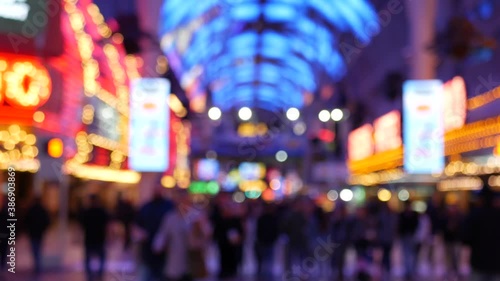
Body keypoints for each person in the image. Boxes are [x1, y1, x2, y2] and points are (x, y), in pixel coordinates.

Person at [135, 185, 174, 281]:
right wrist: (140, 235)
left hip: (165, 251)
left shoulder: (169, 206)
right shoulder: (146, 206)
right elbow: (137, 225)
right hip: (147, 249)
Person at [462, 191, 500, 281]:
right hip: (496, 263)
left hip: (478, 262)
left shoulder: (475, 215)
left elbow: (466, 238)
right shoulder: (497, 215)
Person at [80, 194, 109, 281]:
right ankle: (99, 275)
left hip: (90, 239)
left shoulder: (86, 212)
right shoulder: (102, 212)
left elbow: (81, 225)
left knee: (88, 259)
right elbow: (107, 225)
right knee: (101, 258)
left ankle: (90, 276)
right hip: (100, 238)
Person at [24, 197, 51, 275]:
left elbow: (26, 221)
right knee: (38, 248)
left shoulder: (31, 210)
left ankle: (37, 265)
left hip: (33, 233)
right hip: (39, 233)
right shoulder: (42, 210)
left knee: (35, 249)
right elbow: (47, 221)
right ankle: (38, 265)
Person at [254, 203, 278, 279]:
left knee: (263, 260)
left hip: (263, 241)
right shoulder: (272, 219)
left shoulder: (262, 218)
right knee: (268, 260)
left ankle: (262, 275)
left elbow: (258, 231)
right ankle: (266, 276)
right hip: (267, 242)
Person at [398, 201, 420, 281]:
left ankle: (412, 271)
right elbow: (399, 225)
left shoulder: (415, 215)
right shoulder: (402, 214)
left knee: (413, 255)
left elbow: (417, 225)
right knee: (406, 254)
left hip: (412, 237)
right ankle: (407, 271)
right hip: (404, 237)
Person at [330, 203, 353, 281]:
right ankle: (335, 274)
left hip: (343, 242)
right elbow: (332, 231)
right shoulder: (334, 220)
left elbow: (349, 231)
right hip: (335, 242)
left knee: (341, 260)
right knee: (335, 259)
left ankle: (340, 274)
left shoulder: (347, 220)